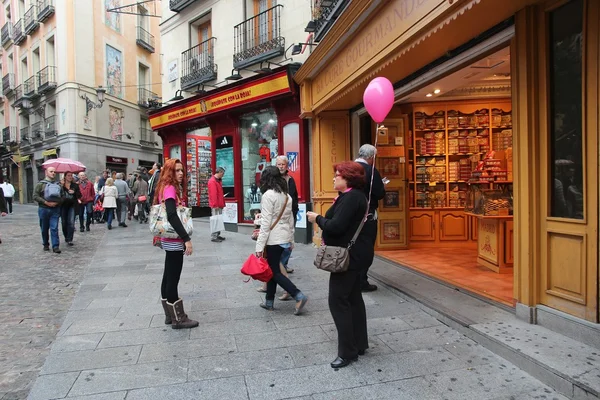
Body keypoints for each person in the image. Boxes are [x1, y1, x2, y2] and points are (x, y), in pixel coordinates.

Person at [307, 161, 370, 369]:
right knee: (353, 299)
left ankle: (347, 353)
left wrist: (317, 218)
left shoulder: (351, 198)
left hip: (346, 258)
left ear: (348, 178)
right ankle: (359, 344)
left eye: (337, 175)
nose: (334, 178)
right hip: (354, 256)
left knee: (338, 301)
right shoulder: (352, 196)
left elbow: (335, 226)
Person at [256, 166, 308, 315]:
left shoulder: (268, 195)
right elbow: (291, 219)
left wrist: (259, 246)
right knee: (273, 269)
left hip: (273, 239)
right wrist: (291, 239)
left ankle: (298, 295)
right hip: (284, 237)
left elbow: (266, 223)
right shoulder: (287, 196)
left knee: (275, 271)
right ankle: (269, 301)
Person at [153, 158, 198, 329]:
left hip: (168, 239)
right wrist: (186, 239)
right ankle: (178, 318)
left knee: (168, 276)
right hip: (174, 240)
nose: (180, 174)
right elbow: (172, 215)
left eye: (182, 171)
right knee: (173, 278)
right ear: (170, 172)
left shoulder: (164, 187)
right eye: (177, 170)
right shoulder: (170, 188)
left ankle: (169, 315)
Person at [355, 144, 386, 292]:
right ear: (370, 157)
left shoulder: (347, 168)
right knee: (366, 247)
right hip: (367, 214)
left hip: (349, 213)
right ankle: (361, 281)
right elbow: (379, 193)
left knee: (353, 246)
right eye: (374, 157)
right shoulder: (371, 171)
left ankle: (351, 278)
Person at [275, 155, 298, 275]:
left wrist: (295, 211)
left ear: (287, 166)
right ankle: (280, 265)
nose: (281, 166)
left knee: (289, 240)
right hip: (278, 215)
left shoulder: (290, 179)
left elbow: (294, 197)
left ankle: (284, 264)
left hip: (290, 214)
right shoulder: (273, 179)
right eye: (279, 164)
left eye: (283, 164)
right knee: (280, 240)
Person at [33, 167, 64, 253]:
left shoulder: (58, 185)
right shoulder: (40, 184)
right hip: (44, 209)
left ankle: (55, 246)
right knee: (44, 228)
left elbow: (62, 197)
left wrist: (57, 203)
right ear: (46, 173)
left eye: (54, 172)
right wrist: (46, 202)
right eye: (51, 171)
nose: (53, 173)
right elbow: (35, 196)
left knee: (54, 228)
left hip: (55, 209)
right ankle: (46, 244)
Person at [60, 172, 81, 246]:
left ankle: (70, 239)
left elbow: (79, 195)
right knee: (64, 223)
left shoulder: (75, 185)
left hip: (72, 205)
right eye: (68, 175)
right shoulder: (61, 185)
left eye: (71, 175)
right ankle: (66, 236)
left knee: (71, 222)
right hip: (63, 205)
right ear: (65, 177)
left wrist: (74, 192)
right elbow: (58, 194)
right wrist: (62, 186)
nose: (70, 177)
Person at [208, 167, 226, 242]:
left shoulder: (217, 181)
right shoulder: (212, 181)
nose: (223, 175)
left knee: (218, 220)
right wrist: (215, 205)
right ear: (219, 172)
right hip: (216, 205)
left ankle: (217, 234)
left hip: (219, 204)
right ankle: (214, 236)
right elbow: (213, 194)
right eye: (222, 173)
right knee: (215, 220)